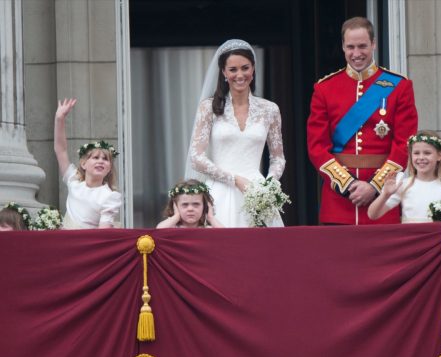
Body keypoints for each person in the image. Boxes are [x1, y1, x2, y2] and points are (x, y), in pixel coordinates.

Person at [307, 16, 418, 225]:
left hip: (383, 200)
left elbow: (404, 144)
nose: (356, 54)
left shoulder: (399, 86)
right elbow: (317, 147)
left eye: (362, 46)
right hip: (339, 202)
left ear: (374, 44)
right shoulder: (324, 89)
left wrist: (375, 186)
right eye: (350, 47)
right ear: (342, 47)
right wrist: (348, 184)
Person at [186, 39, 286, 227]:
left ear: (253, 69)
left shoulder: (270, 109)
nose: (240, 75)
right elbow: (196, 157)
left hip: (257, 192)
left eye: (245, 68)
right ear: (224, 72)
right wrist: (234, 179)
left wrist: (268, 185)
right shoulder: (208, 108)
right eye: (233, 70)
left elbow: (278, 158)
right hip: (219, 191)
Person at [367, 130, 441, 223]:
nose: (421, 157)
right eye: (416, 153)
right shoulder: (403, 185)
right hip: (412, 239)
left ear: (439, 156)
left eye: (427, 153)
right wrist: (385, 194)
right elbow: (373, 215)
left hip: (438, 240)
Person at [54, 98, 122, 229]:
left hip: (87, 244)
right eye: (95, 157)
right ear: (84, 164)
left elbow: (103, 232)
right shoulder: (74, 181)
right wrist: (59, 119)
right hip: (65, 240)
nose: (101, 161)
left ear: (109, 169)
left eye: (105, 159)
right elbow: (60, 150)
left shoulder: (109, 196)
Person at [156, 179, 223, 228]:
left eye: (196, 204)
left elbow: (226, 235)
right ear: (175, 206)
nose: (190, 209)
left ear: (205, 206)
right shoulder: (172, 227)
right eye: (185, 204)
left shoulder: (207, 229)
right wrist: (176, 217)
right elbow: (159, 230)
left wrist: (211, 218)